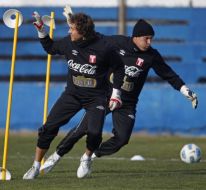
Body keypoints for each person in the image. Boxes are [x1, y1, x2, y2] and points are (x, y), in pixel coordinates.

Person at [39, 7, 199, 178]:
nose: (149, 42)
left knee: (122, 139)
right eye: (147, 38)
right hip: (106, 96)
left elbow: (169, 74)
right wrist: (73, 20)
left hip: (127, 103)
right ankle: (56, 157)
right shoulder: (117, 42)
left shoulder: (152, 56)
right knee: (81, 130)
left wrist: (185, 90)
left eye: (151, 39)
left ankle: (90, 156)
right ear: (136, 37)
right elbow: (92, 36)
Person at [22, 11, 124, 180]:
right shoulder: (69, 43)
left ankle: (86, 159)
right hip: (72, 94)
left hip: (97, 97)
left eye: (72, 29)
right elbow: (50, 48)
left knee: (94, 133)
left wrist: (116, 94)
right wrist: (41, 29)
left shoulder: (104, 47)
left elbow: (120, 68)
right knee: (48, 128)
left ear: (83, 32)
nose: (69, 32)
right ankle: (35, 166)